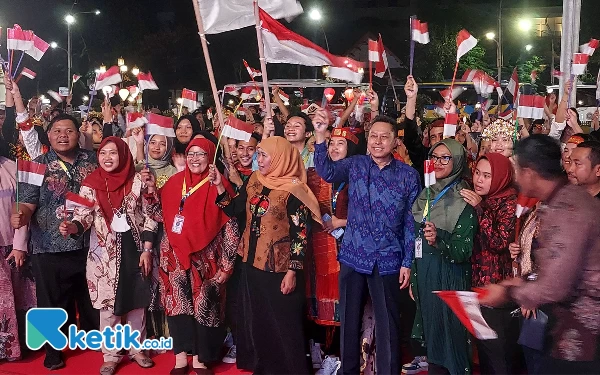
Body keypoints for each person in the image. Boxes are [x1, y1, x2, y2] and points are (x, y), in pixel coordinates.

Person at [481, 134, 600, 374]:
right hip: (564, 330)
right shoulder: (555, 201)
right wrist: (525, 280)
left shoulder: (569, 207)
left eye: (517, 168)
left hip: (583, 334)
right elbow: (552, 264)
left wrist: (508, 291)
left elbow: (556, 284)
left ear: (529, 172)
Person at [314, 115, 421, 375]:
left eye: (385, 136)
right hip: (353, 255)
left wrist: (408, 262)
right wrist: (320, 136)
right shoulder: (356, 165)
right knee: (349, 321)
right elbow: (327, 171)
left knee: (389, 326)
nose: (378, 141)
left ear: (395, 141)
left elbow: (412, 223)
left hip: (388, 259)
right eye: (373, 136)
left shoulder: (408, 175)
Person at [211, 136, 321, 375]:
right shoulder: (254, 180)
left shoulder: (293, 190)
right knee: (258, 322)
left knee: (283, 324)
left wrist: (293, 272)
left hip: (280, 270)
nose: (257, 160)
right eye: (257, 154)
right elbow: (235, 210)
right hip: (251, 264)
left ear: (280, 158)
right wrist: (220, 185)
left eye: (263, 155)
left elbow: (300, 236)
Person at [59, 136, 157, 375]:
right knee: (107, 305)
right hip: (104, 255)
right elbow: (84, 214)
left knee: (136, 302)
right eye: (103, 153)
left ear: (123, 155)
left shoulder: (137, 182)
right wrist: (72, 226)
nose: (108, 158)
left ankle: (137, 349)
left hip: (135, 252)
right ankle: (111, 354)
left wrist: (146, 250)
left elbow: (150, 216)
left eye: (113, 153)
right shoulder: (90, 183)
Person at [10, 114, 99, 370]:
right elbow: (26, 202)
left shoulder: (92, 161)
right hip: (48, 246)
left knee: (91, 299)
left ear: (77, 135)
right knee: (49, 302)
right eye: (57, 130)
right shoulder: (35, 165)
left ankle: (95, 342)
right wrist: (22, 215)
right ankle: (53, 352)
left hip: (89, 244)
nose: (63, 135)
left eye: (69, 130)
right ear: (47, 136)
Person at [158, 138, 240, 375]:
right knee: (177, 307)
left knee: (206, 308)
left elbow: (231, 227)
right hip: (172, 257)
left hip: (207, 259)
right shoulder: (174, 182)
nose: (195, 159)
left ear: (210, 157)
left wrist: (226, 266)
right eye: (191, 153)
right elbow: (157, 213)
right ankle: (181, 357)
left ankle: (202, 359)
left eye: (201, 154)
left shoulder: (219, 184)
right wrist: (150, 190)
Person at [409, 139, 477, 375]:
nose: (438, 162)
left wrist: (438, 240)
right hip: (426, 273)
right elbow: (416, 238)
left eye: (445, 158)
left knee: (453, 341)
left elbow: (463, 250)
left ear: (457, 161)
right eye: (434, 157)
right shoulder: (425, 194)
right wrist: (414, 274)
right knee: (434, 340)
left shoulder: (465, 198)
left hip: (449, 277)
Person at [460, 152, 518, 375]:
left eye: (487, 175)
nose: (479, 180)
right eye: (477, 173)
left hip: (495, 287)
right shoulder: (482, 199)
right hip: (475, 283)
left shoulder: (508, 202)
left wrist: (480, 209)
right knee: (483, 349)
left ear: (502, 177)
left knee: (497, 352)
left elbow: (498, 241)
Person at [0, 156, 35, 362]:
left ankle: (14, 347)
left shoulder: (13, 168)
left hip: (12, 247)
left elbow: (23, 209)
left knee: (19, 299)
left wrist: (19, 244)